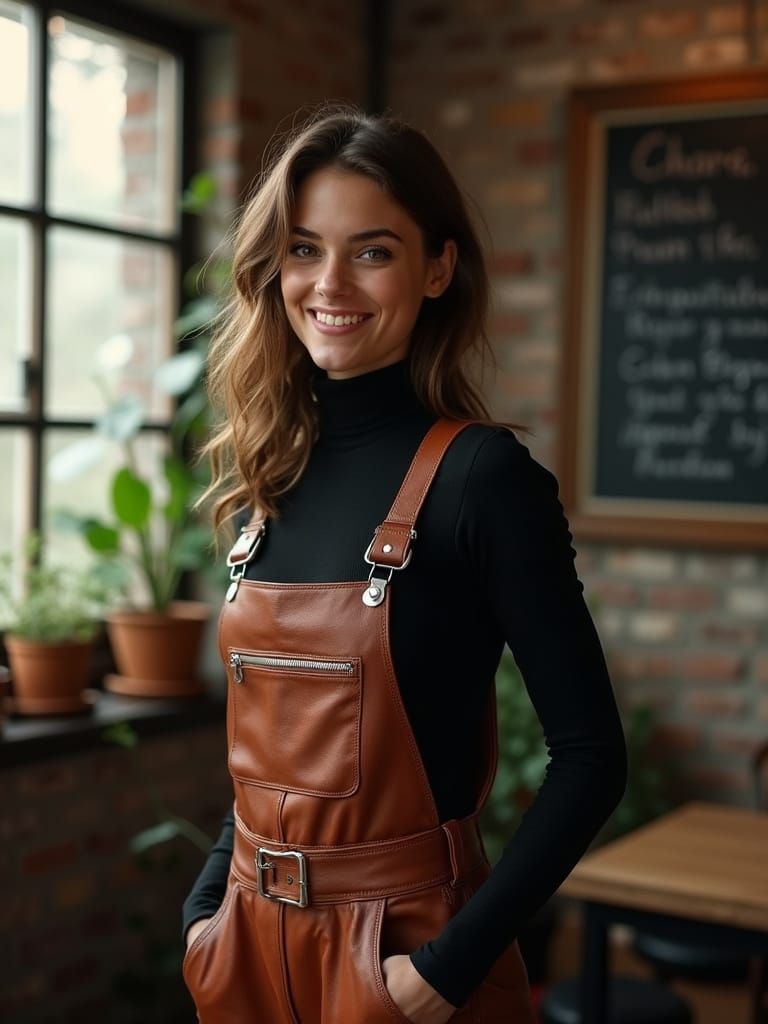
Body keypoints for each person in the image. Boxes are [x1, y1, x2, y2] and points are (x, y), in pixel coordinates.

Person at [182, 104, 627, 1024]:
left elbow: (591, 760)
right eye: (303, 249)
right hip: (245, 946)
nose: (330, 282)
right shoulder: (272, 472)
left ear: (437, 268)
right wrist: (202, 914)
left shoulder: (483, 480)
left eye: (372, 251)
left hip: (403, 961)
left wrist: (442, 973)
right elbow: (268, 756)